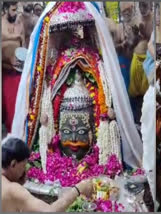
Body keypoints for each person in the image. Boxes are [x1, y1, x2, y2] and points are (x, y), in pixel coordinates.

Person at [1, 137, 94, 212]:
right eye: (23, 166)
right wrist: (78, 189)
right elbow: (50, 211)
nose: (24, 171)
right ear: (13, 164)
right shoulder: (13, 190)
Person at [2, 2, 25, 133]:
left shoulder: (19, 22)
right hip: (4, 70)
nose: (15, 13)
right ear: (6, 8)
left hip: (17, 72)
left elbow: (23, 43)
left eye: (17, 10)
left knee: (16, 104)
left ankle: (16, 132)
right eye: (13, 10)